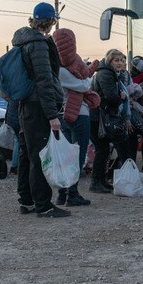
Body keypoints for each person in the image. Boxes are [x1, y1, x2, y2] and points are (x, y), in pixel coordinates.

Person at [13, 2, 70, 218]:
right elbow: (44, 80)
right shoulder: (38, 44)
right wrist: (52, 115)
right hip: (38, 105)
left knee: (27, 154)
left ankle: (26, 200)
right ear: (51, 21)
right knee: (39, 156)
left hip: (25, 104)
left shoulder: (22, 42)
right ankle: (43, 205)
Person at [53, 27, 100, 206]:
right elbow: (82, 86)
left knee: (66, 155)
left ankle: (62, 193)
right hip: (78, 114)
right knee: (77, 156)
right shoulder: (65, 69)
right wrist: (87, 79)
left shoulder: (54, 66)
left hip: (62, 115)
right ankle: (72, 193)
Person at [90, 49, 132, 193]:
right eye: (117, 60)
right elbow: (111, 97)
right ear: (109, 61)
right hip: (99, 117)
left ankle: (101, 180)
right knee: (102, 149)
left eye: (122, 60)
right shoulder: (106, 74)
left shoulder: (110, 74)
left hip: (100, 116)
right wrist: (120, 97)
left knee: (104, 149)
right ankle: (96, 182)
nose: (120, 63)